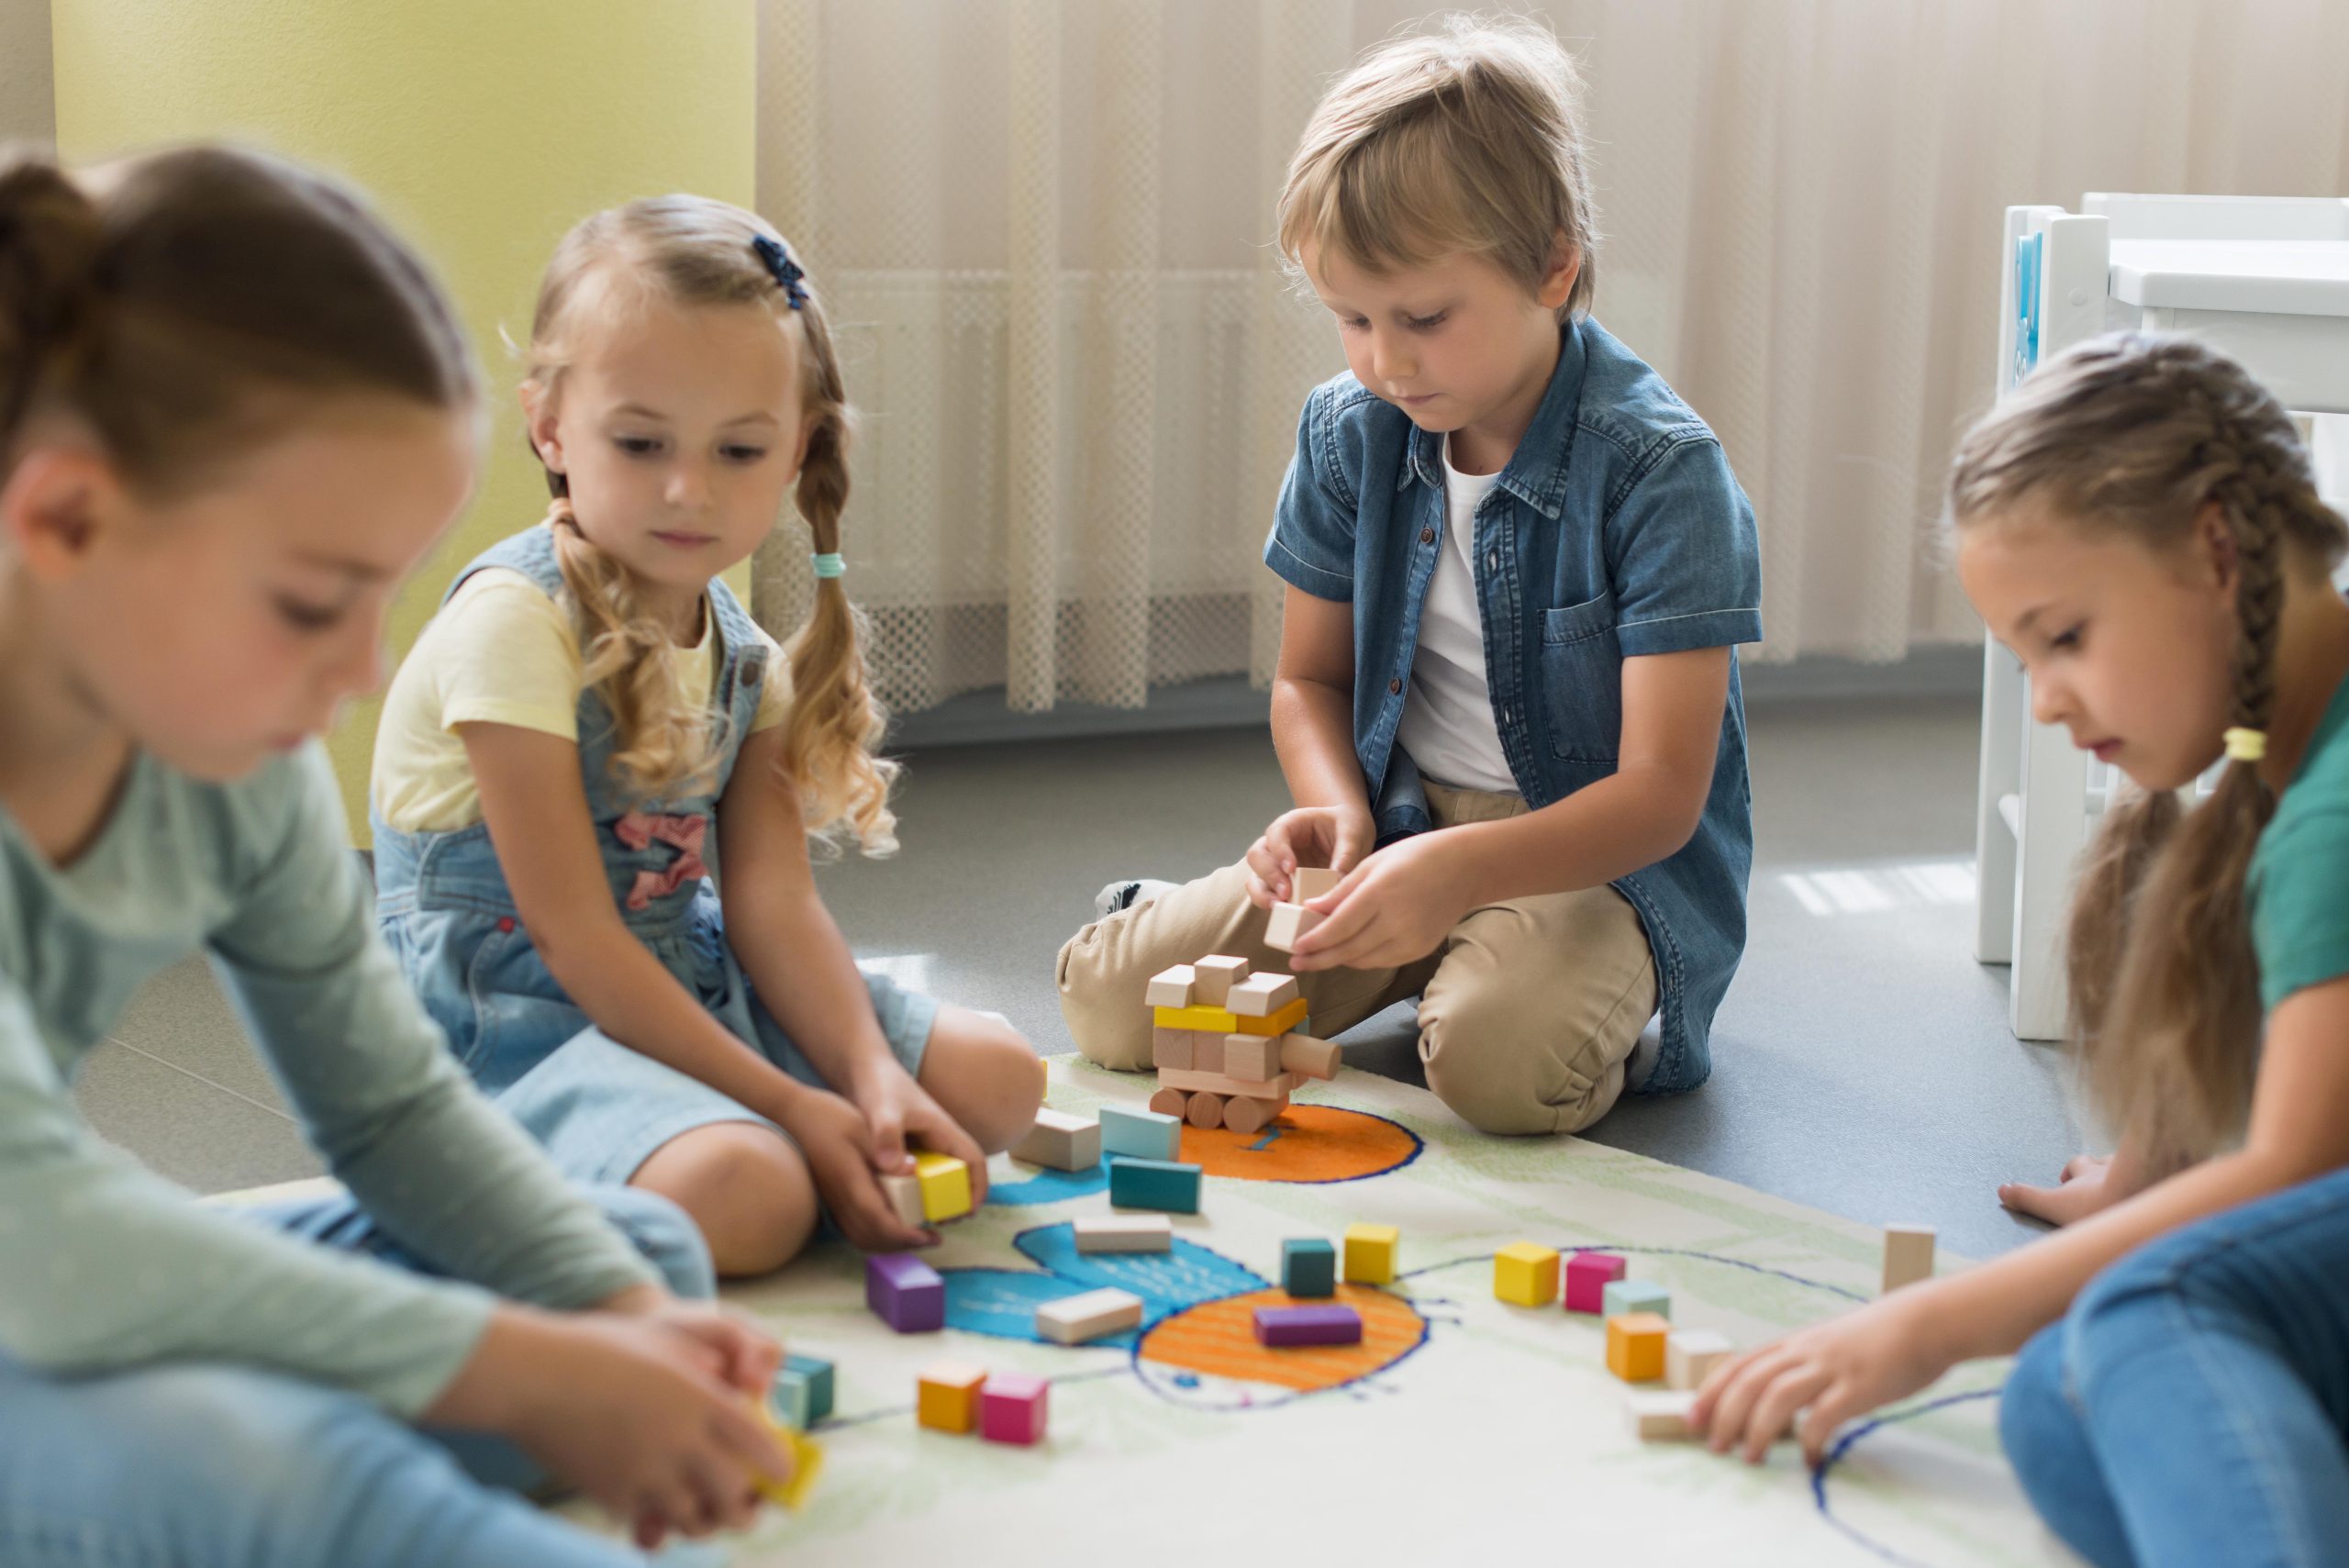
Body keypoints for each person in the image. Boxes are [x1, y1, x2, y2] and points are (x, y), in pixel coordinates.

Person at [0, 143, 790, 1567]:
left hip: (38, 1279)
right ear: (65, 521)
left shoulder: (237, 763)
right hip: (26, 1260)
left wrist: (604, 1334)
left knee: (637, 1268)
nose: (367, 669)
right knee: (287, 1466)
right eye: (314, 602)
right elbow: (37, 1234)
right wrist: (498, 1368)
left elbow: (387, 1112)